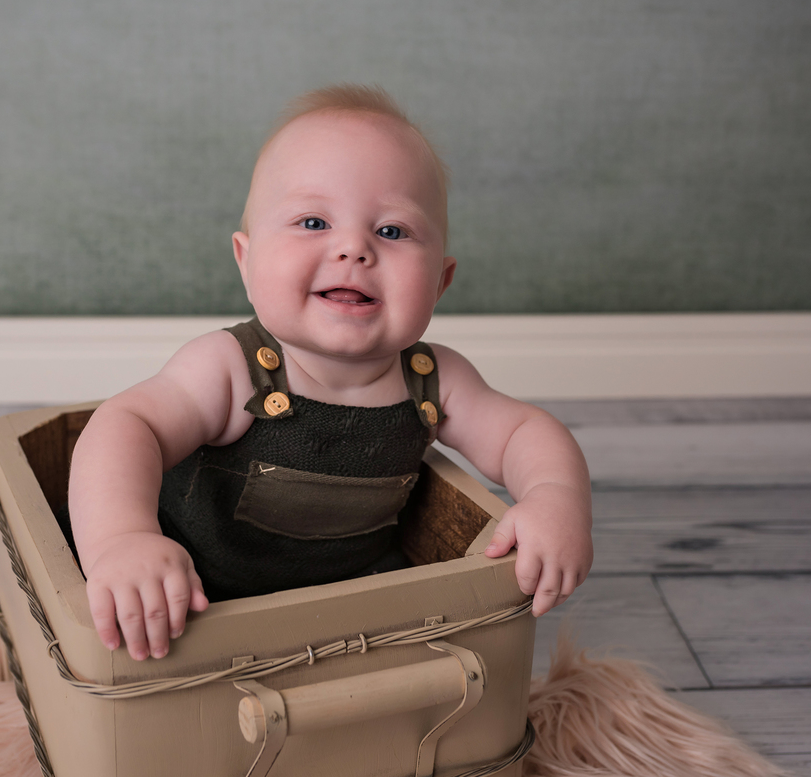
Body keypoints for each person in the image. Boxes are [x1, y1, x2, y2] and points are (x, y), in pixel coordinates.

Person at [68, 85, 592, 661]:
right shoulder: (230, 368)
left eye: (391, 231)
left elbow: (523, 432)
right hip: (191, 607)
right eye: (314, 221)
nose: (354, 249)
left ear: (440, 283)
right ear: (247, 260)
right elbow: (127, 425)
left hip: (355, 623)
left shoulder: (434, 378)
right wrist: (123, 538)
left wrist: (555, 497)